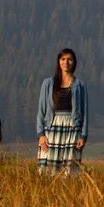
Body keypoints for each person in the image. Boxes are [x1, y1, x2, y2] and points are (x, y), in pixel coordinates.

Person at [35, 47, 87, 175]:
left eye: (69, 59)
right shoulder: (48, 83)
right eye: (63, 59)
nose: (66, 62)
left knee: (70, 168)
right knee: (48, 167)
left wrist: (83, 135)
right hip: (52, 126)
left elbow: (85, 111)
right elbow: (41, 110)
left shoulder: (80, 84)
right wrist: (40, 134)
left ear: (74, 62)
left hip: (72, 127)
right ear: (58, 61)